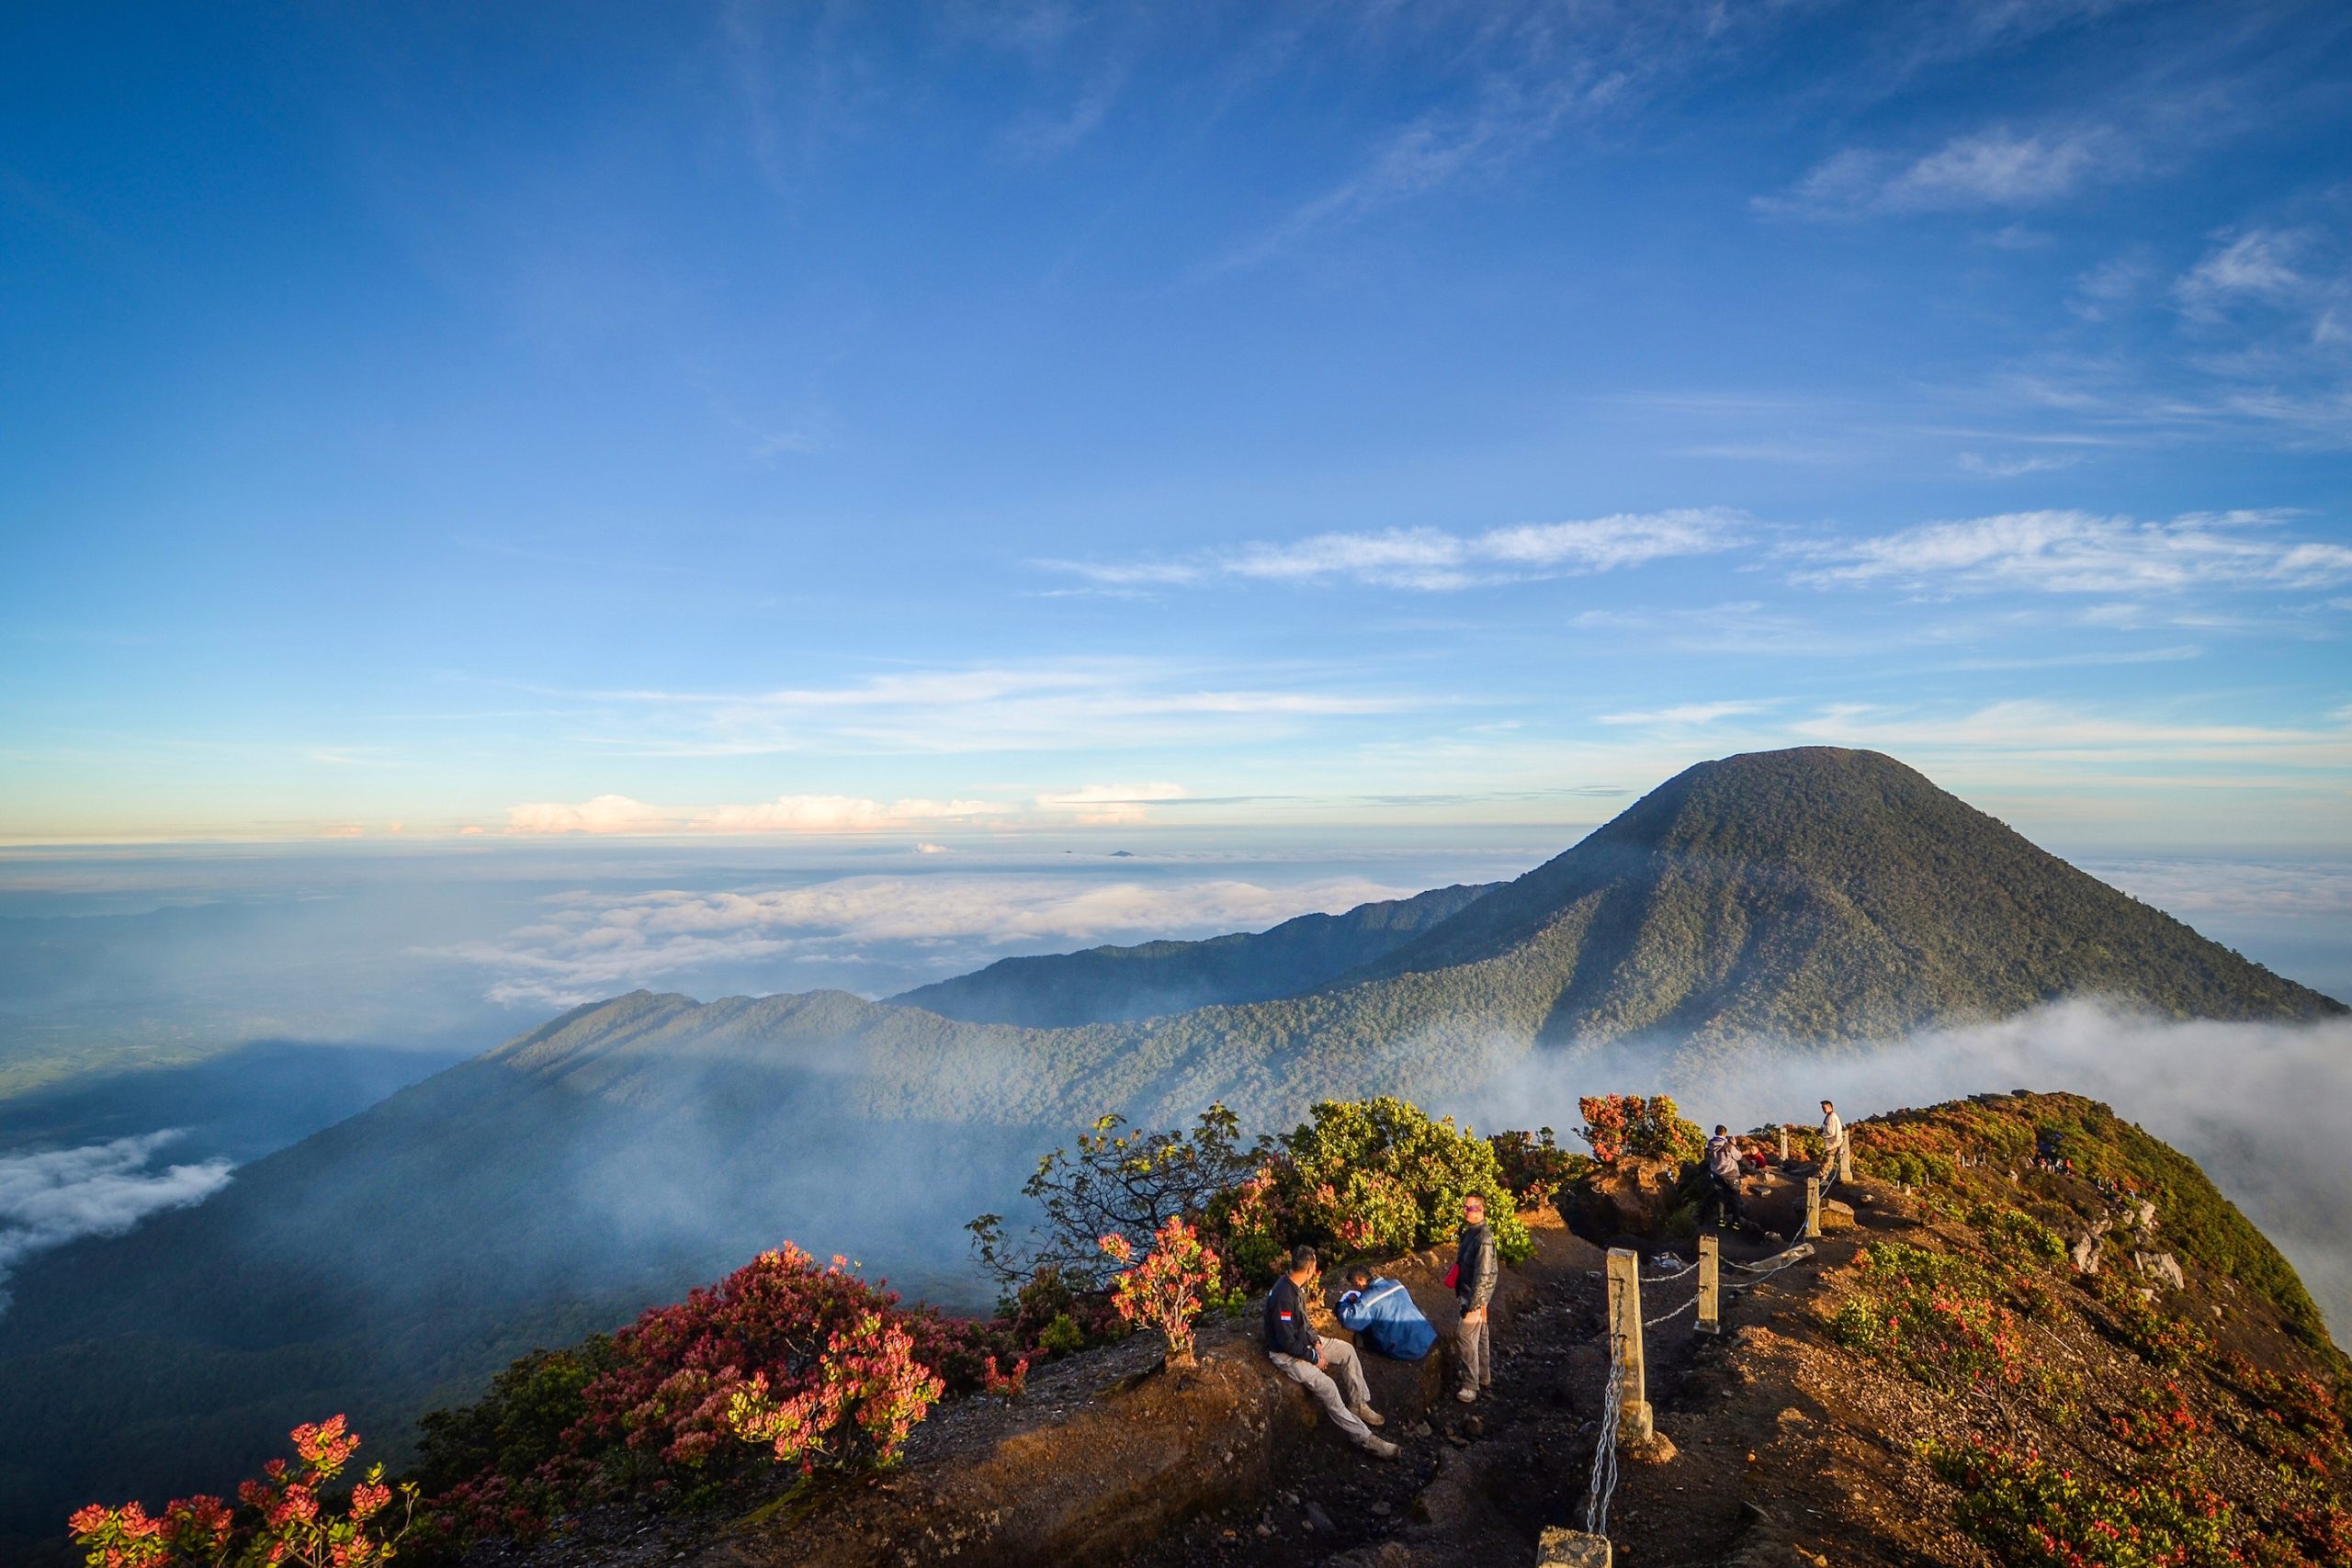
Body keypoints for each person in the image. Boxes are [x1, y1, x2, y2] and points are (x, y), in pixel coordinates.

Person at [1264, 1244, 1398, 1458]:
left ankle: (1358, 1403)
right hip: (1286, 1354)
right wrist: (1314, 1357)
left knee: (1346, 1351)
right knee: (1328, 1387)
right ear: (1309, 1270)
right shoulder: (1283, 1296)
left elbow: (1304, 1322)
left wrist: (1316, 1342)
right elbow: (1286, 1341)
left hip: (1304, 1343)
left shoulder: (1295, 1285)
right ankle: (1363, 1438)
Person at [1336, 1265, 1438, 1360]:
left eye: (1354, 1285)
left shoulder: (1367, 1300)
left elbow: (1350, 1321)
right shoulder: (1396, 1284)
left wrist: (1343, 1305)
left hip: (1409, 1349)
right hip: (1426, 1337)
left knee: (1363, 1332)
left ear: (1358, 1282)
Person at [1452, 1193, 1498, 1404]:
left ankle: (1470, 1385)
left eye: (1468, 1208)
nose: (1465, 1211)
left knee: (1464, 1336)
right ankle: (1483, 1376)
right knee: (1480, 1335)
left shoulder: (1483, 1238)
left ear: (1480, 1209)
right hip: (1472, 1293)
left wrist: (1474, 1303)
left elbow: (1483, 1273)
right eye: (1465, 1207)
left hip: (1474, 1294)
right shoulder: (1473, 1233)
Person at [1705, 1124, 1747, 1229]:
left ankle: (1721, 1220)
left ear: (1715, 1132)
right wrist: (1735, 1145)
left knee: (1720, 1197)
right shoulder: (1728, 1146)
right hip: (1731, 1175)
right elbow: (1738, 1156)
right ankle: (1736, 1223)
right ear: (1725, 1133)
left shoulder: (1710, 1144)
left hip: (1716, 1174)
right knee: (1735, 1198)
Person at [1820, 1100, 1847, 1190]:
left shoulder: (1831, 1117)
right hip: (1834, 1143)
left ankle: (1820, 1179)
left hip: (1832, 1143)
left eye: (1824, 1108)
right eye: (1822, 1108)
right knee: (1829, 1162)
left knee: (1827, 1162)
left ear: (1830, 1107)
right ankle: (1824, 1178)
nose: (1823, 1110)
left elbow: (1831, 1132)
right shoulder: (1831, 1116)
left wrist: (1822, 1134)